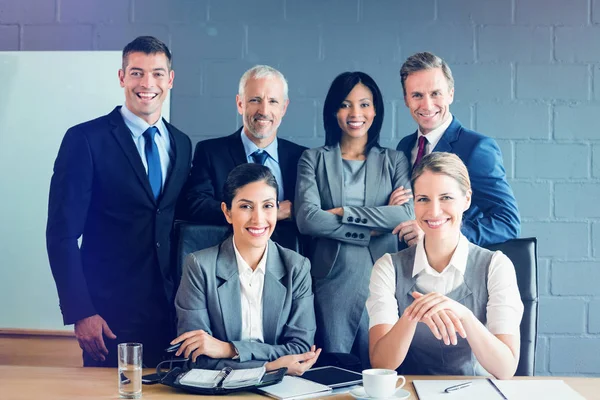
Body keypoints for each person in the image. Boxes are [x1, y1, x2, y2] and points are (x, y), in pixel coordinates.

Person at [46, 36, 191, 367]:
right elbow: (61, 235)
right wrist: (81, 311)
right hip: (109, 318)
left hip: (172, 316)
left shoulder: (182, 144)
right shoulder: (85, 140)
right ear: (122, 77)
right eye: (137, 73)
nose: (147, 84)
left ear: (170, 79)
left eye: (157, 73)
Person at [295, 72, 414, 368]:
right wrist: (373, 226)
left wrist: (344, 212)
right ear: (333, 111)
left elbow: (406, 214)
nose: (355, 114)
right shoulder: (313, 159)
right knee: (335, 369)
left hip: (384, 274)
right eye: (346, 105)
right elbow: (308, 220)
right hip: (332, 281)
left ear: (376, 110)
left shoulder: (395, 160)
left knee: (382, 367)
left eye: (364, 104)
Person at [368, 152, 524, 378]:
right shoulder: (388, 268)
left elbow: (505, 369)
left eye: (446, 198)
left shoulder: (496, 266)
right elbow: (382, 364)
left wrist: (464, 315)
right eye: (423, 199)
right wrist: (413, 314)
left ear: (466, 199)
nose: (434, 211)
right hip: (411, 392)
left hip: (477, 392)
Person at [172, 164, 320, 374]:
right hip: (220, 389)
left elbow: (301, 350)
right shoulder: (199, 266)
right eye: (246, 206)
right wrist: (269, 366)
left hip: (282, 388)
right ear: (227, 212)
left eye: (267, 206)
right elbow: (198, 357)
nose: (258, 219)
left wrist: (228, 349)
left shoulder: (297, 267)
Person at [394, 52, 520, 248]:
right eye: (417, 95)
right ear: (406, 99)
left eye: (435, 93)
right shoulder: (404, 147)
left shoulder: (477, 148)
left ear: (450, 94)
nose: (427, 105)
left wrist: (438, 234)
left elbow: (507, 222)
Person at [182, 65, 306, 226]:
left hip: (287, 249)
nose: (264, 110)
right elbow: (196, 205)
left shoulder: (301, 157)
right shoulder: (210, 152)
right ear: (240, 104)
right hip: (229, 249)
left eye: (273, 101)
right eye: (255, 100)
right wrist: (268, 212)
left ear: (284, 108)